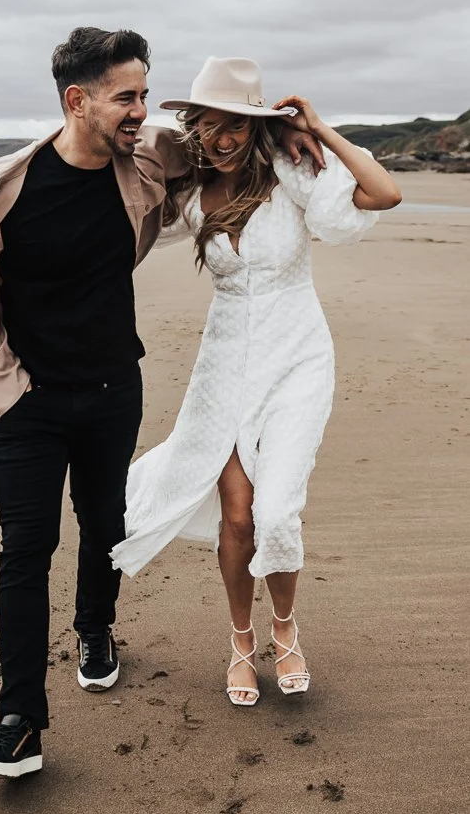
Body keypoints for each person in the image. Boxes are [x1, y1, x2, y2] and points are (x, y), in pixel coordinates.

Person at [0, 31, 322, 778]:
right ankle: (17, 721)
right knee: (24, 551)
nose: (143, 111)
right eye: (127, 97)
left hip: (114, 389)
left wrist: (290, 130)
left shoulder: (145, 159)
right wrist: (8, 392)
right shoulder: (2, 192)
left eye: (146, 95)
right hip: (27, 406)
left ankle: (95, 629)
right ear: (77, 101)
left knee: (104, 524)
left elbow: (218, 138)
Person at [111, 56, 401, 706]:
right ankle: (241, 643)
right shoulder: (187, 194)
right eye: (206, 125)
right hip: (225, 368)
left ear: (256, 127)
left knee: (275, 511)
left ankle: (285, 630)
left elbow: (382, 195)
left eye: (233, 126)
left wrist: (316, 127)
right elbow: (132, 173)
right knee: (237, 519)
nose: (219, 139)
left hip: (296, 359)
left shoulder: (293, 175)